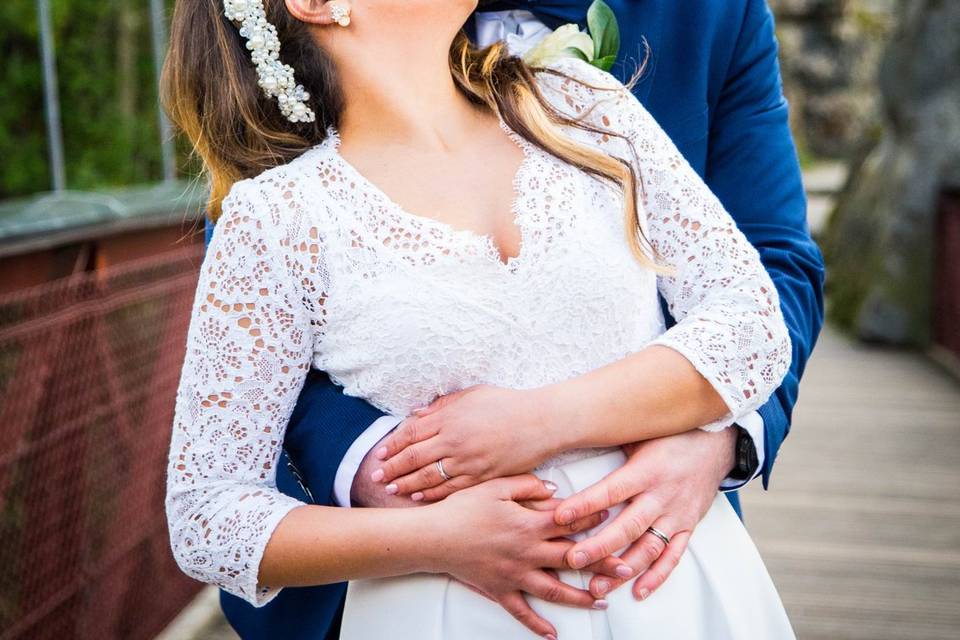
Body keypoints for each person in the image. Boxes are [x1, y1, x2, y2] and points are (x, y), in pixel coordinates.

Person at [163, 1, 820, 639]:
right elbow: (207, 511)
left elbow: (755, 314)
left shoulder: (580, 104)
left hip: (671, 579)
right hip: (449, 602)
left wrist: (544, 422)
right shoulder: (276, 219)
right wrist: (433, 535)